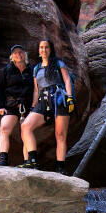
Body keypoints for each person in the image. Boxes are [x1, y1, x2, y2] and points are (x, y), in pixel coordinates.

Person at [19, 39, 75, 174]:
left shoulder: (58, 63)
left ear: (50, 49)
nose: (43, 50)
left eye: (46, 47)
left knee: (60, 135)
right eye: (41, 48)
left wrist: (70, 98)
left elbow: (67, 80)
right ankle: (32, 161)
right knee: (26, 126)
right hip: (42, 101)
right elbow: (36, 89)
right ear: (38, 51)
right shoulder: (37, 68)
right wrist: (33, 106)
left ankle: (60, 168)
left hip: (59, 99)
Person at [0, 45, 34, 166]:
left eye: (20, 52)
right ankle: (3, 159)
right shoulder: (7, 70)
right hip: (11, 104)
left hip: (27, 105)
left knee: (25, 132)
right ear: (12, 56)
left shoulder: (31, 69)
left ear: (24, 54)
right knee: (4, 128)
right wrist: (0, 106)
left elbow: (36, 87)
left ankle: (27, 162)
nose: (18, 55)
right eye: (15, 53)